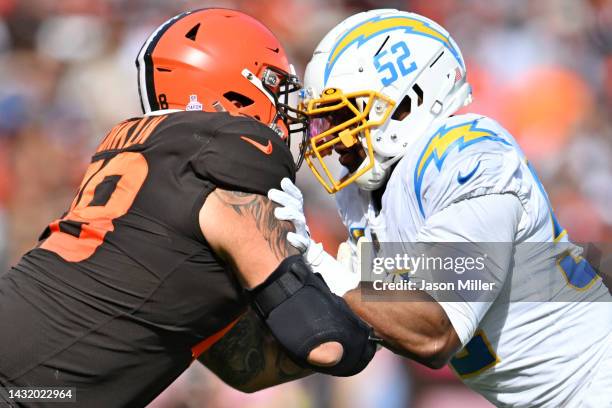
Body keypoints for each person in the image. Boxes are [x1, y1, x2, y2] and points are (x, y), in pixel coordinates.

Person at [0, 9, 376, 407]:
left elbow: (247, 367)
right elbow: (324, 343)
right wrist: (365, 289)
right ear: (235, 87)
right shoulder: (230, 151)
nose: (287, 110)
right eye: (276, 87)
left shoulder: (157, 157)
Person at [269, 9, 612, 407]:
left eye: (345, 116)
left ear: (408, 102)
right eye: (325, 123)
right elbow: (349, 335)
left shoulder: (466, 156)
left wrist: (321, 266)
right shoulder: (367, 195)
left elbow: (435, 331)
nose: (334, 142)